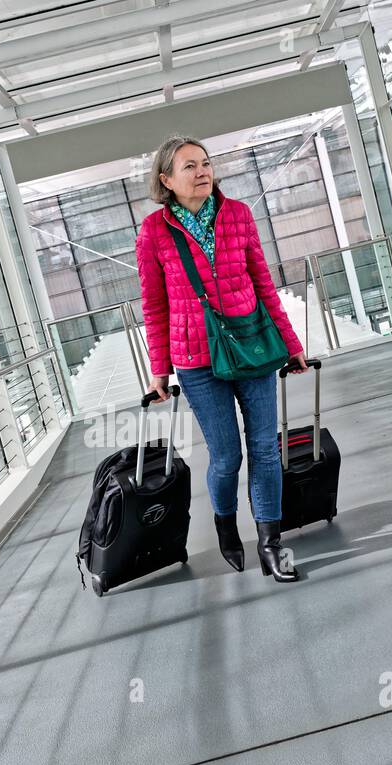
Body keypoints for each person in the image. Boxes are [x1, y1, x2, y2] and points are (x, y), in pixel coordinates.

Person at [135, 134, 309, 583]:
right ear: (166, 180)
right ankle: (226, 526)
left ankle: (271, 543)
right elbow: (153, 304)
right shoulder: (154, 231)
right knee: (226, 455)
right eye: (190, 166)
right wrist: (159, 368)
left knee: (266, 450)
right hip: (195, 359)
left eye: (206, 163)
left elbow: (263, 282)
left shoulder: (238, 215)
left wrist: (291, 343)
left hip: (251, 346)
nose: (203, 171)